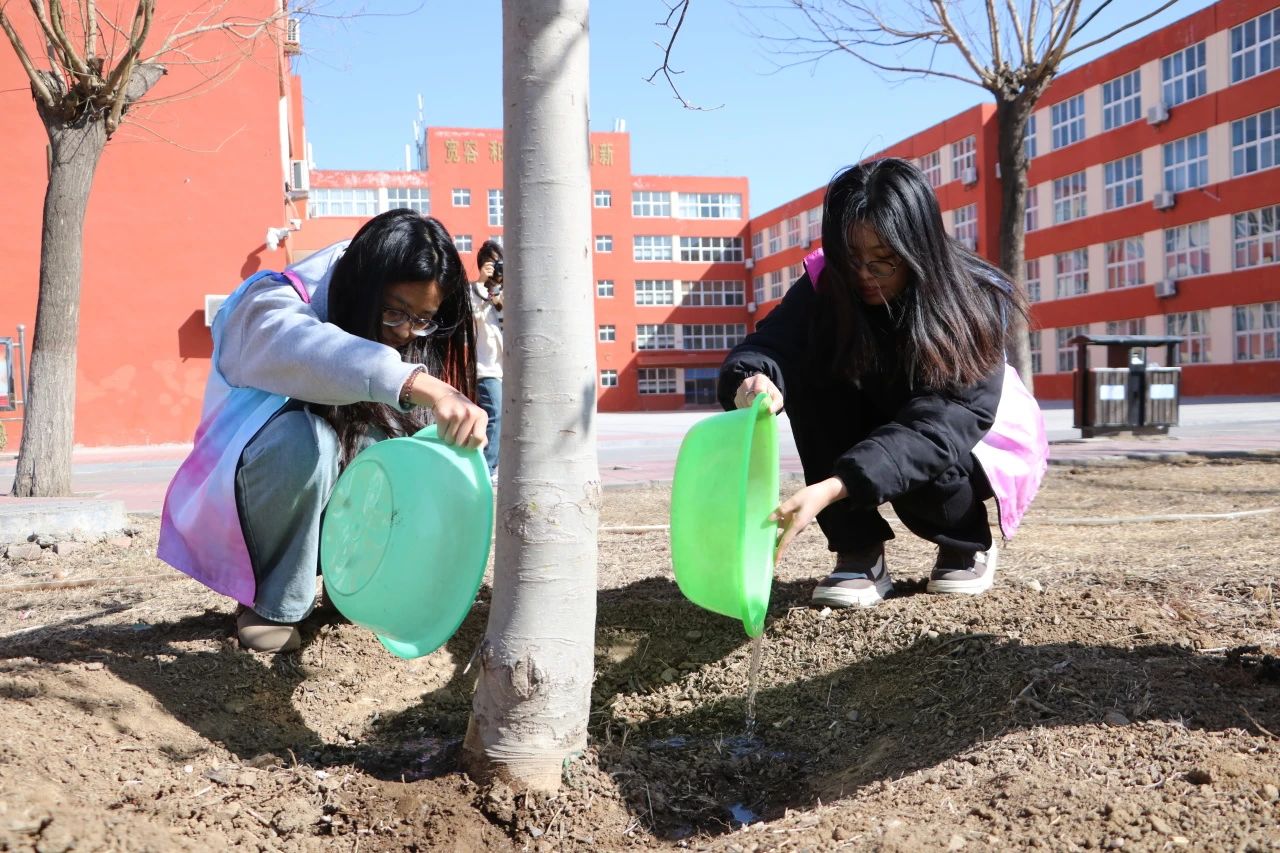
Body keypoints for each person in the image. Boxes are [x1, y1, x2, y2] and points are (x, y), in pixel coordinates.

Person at [719, 158, 1047, 609]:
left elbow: (938, 428)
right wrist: (752, 378)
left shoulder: (973, 299)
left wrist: (834, 486)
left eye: (884, 261)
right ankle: (859, 554)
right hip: (888, 415)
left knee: (918, 464)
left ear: (918, 248)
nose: (864, 276)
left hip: (969, 443)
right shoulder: (827, 284)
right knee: (810, 378)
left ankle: (965, 541)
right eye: (851, 259)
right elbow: (772, 344)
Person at [158, 210, 488, 652]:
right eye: (394, 311)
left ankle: (353, 591)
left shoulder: (408, 337)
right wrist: (418, 384)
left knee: (397, 449)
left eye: (423, 318)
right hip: (254, 504)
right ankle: (273, 602)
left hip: (331, 521)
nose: (406, 332)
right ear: (362, 290)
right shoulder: (269, 304)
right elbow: (316, 353)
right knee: (305, 443)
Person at [472, 240, 504, 481]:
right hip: (487, 369)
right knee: (495, 414)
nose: (497, 268)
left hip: (507, 369)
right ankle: (487, 469)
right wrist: (482, 282)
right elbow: (472, 315)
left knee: (502, 418)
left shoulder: (506, 293)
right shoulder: (475, 292)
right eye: (492, 264)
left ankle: (494, 465)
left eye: (500, 263)